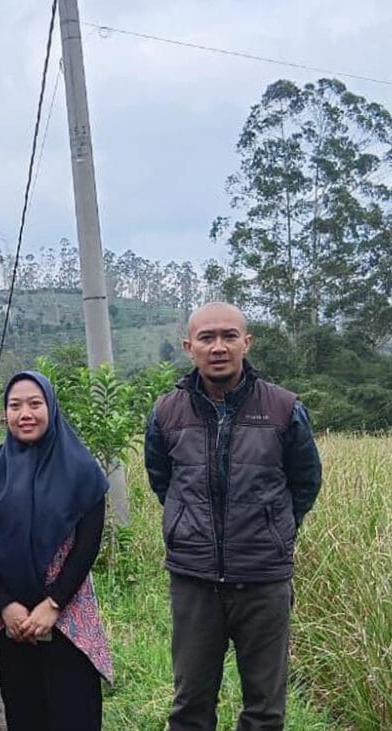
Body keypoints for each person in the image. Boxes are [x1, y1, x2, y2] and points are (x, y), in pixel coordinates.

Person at [145, 302, 322, 731]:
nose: (218, 347)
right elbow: (162, 481)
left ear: (247, 342)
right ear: (190, 347)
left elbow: (305, 482)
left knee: (264, 711)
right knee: (189, 706)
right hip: (195, 581)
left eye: (229, 336)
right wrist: (188, 524)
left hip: (263, 579)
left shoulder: (283, 409)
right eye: (207, 338)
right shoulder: (167, 412)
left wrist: (271, 530)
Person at [0, 370, 114, 731]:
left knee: (75, 713)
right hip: (12, 620)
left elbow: (87, 544)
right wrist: (6, 606)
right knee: (24, 715)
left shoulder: (83, 470)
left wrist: (53, 604)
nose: (25, 414)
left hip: (66, 616)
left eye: (35, 404)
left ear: (51, 406)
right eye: (15, 406)